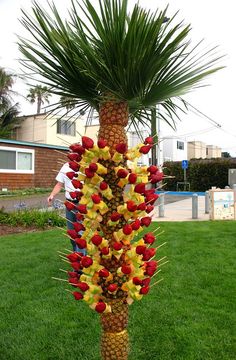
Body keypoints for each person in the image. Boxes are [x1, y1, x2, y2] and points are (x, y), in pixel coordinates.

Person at [47, 162, 85, 254]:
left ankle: (81, 263)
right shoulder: (66, 166)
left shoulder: (86, 165)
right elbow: (59, 184)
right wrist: (52, 195)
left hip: (83, 204)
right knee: (72, 233)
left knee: (80, 234)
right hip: (69, 204)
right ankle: (76, 256)